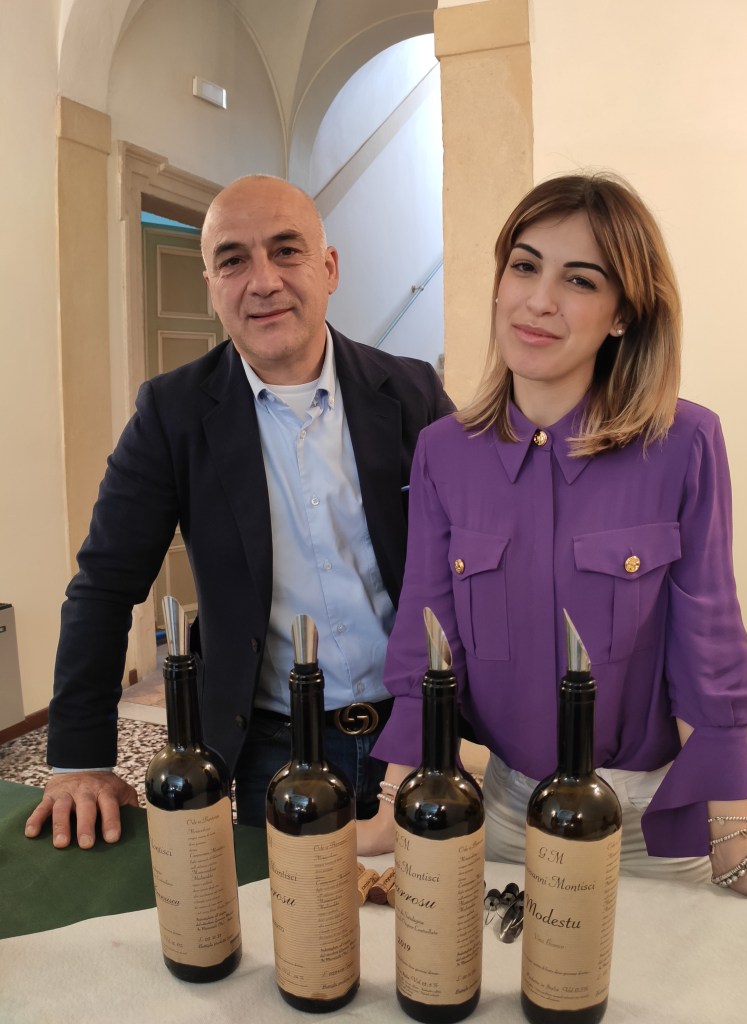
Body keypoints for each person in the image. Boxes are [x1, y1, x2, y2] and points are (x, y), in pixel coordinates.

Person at [358, 172, 747, 897]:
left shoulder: (685, 444)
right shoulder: (443, 453)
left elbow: (711, 647)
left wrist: (732, 841)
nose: (540, 300)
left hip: (647, 825)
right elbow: (427, 644)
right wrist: (393, 807)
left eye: (580, 280)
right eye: (524, 266)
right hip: (507, 818)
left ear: (622, 314)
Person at [24, 174, 454, 849]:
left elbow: (473, 560)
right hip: (272, 749)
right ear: (212, 286)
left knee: (432, 908)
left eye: (286, 251)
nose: (263, 281)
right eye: (233, 260)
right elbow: (104, 584)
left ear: (329, 268)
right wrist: (80, 759)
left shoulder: (413, 391)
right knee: (283, 914)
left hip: (416, 733)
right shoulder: (171, 414)